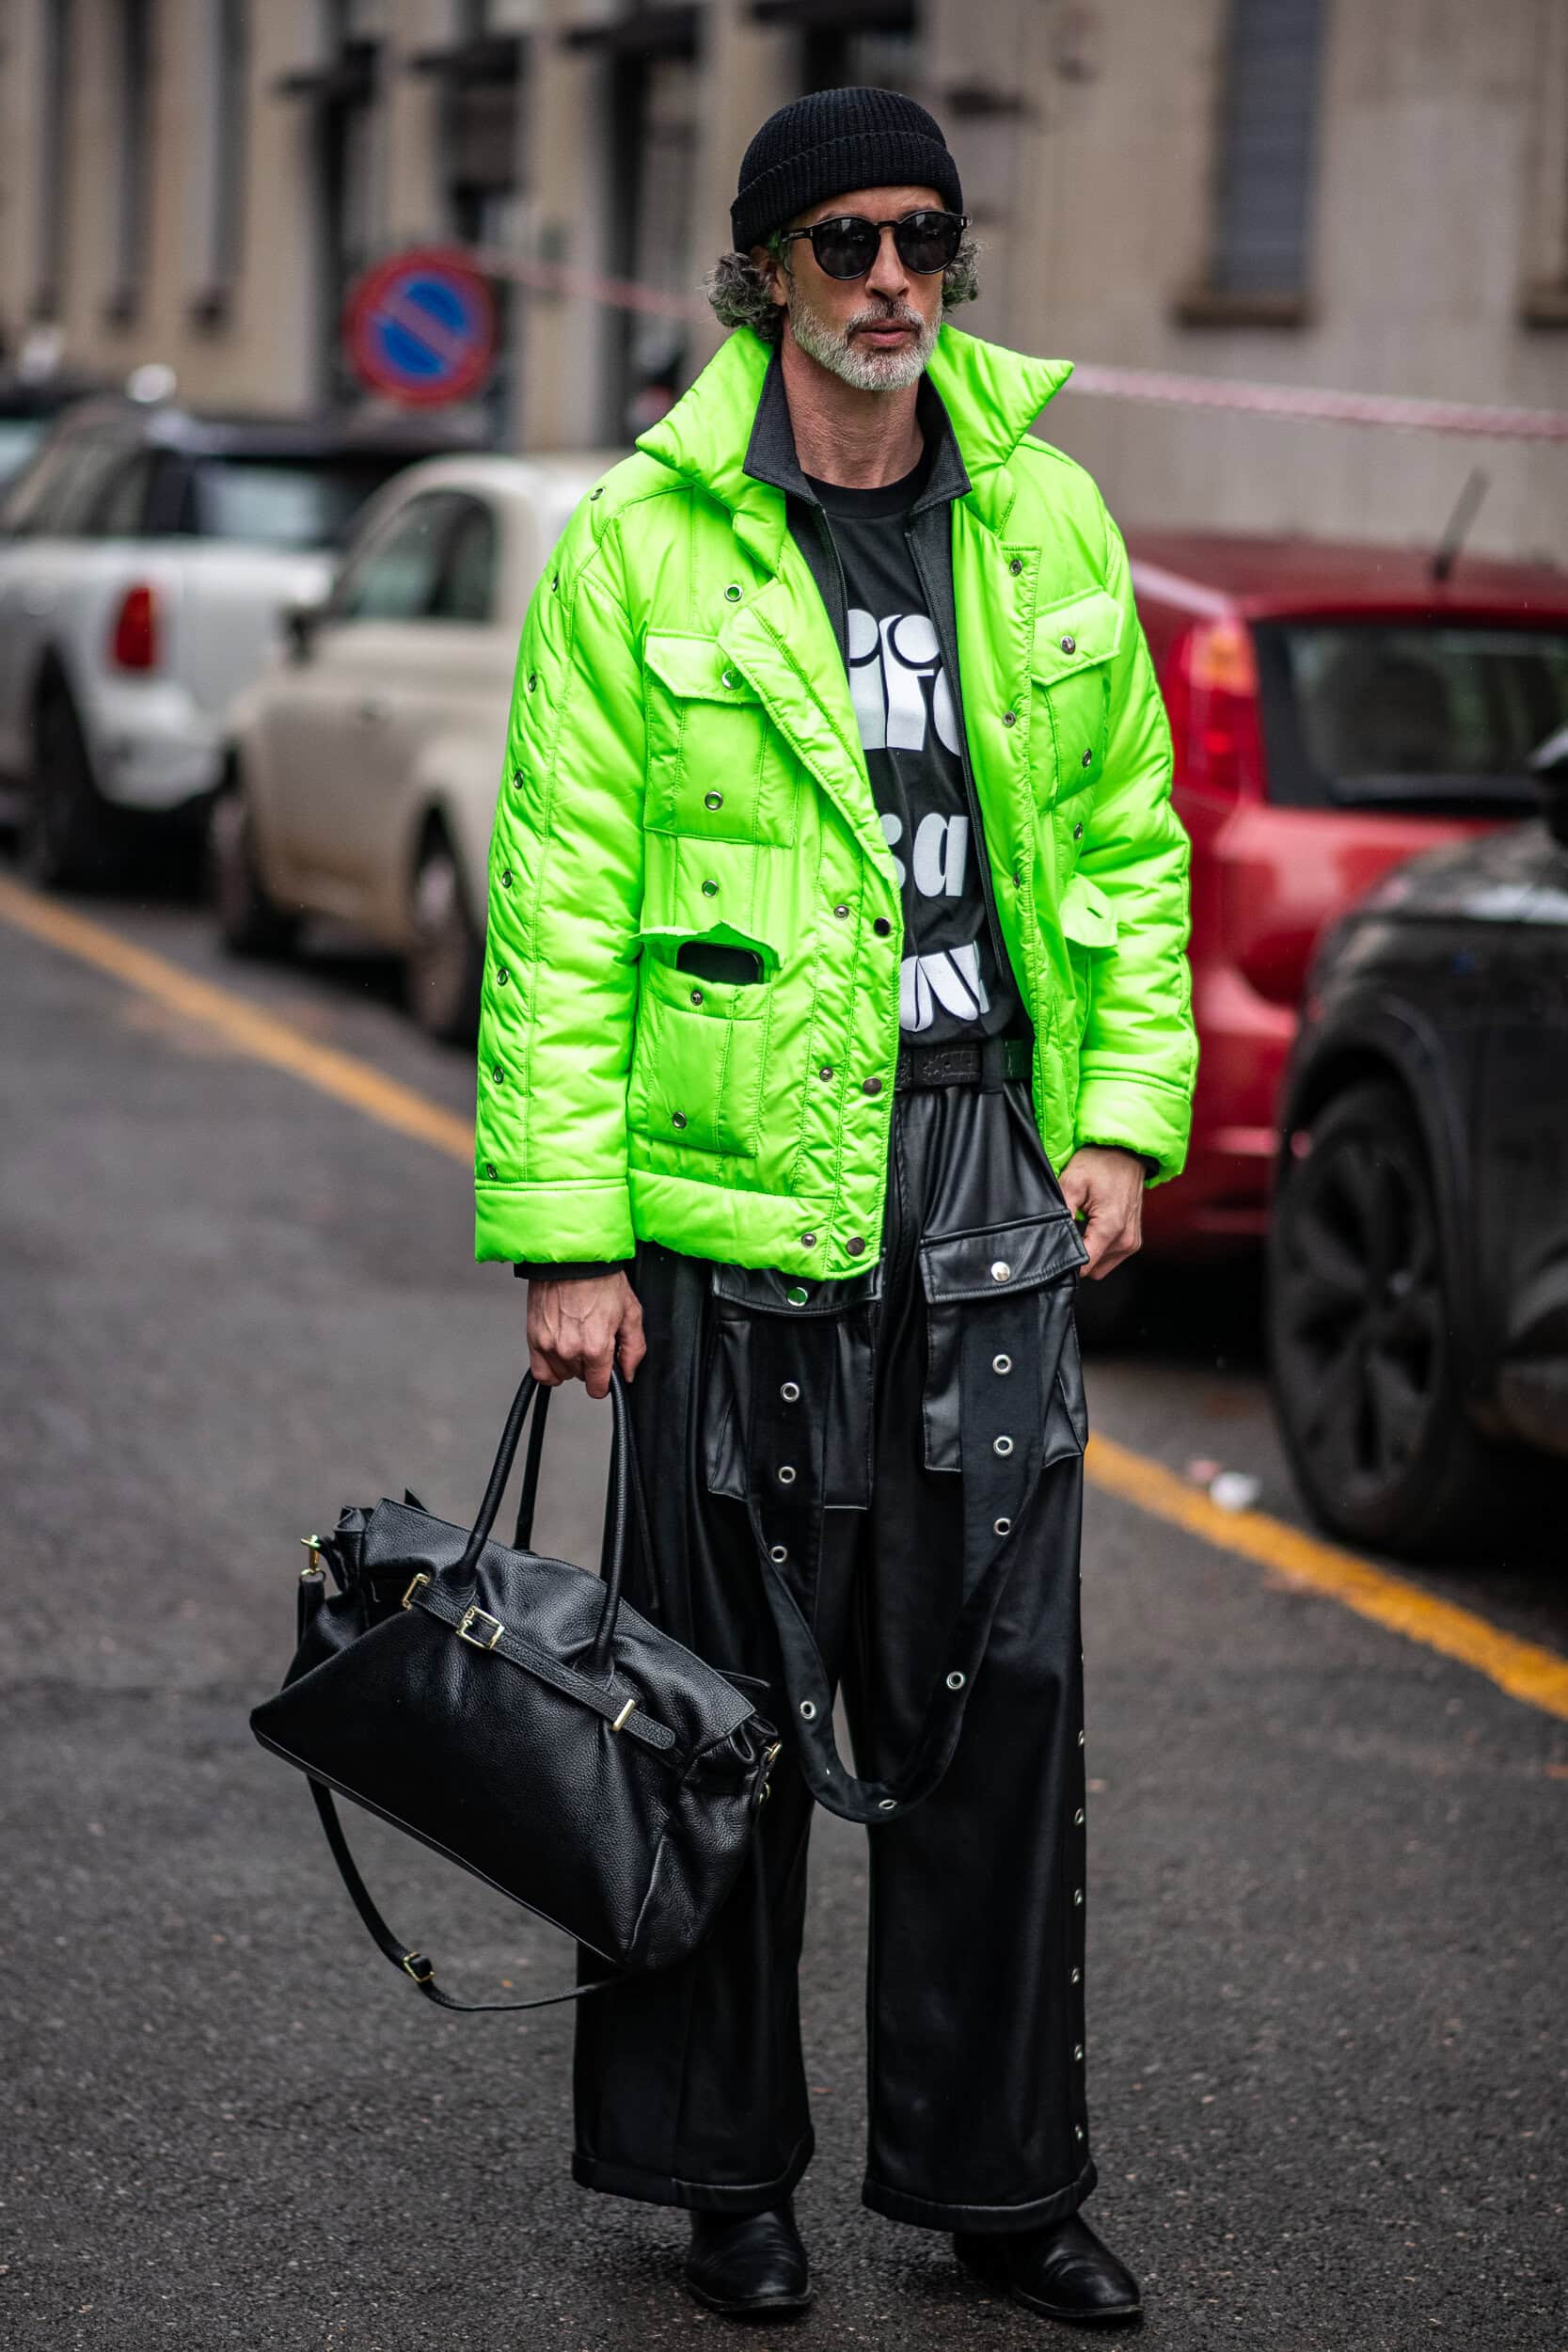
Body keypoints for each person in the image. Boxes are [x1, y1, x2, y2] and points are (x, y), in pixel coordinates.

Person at [475, 86, 1196, 2328]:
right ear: (765, 271)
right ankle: (724, 2174)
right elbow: (561, 906)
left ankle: (1001, 2186)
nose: (896, 280)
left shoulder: (1049, 515)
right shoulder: (642, 542)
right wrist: (571, 1235)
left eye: (929, 241)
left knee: (1003, 1699)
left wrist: (1127, 1120)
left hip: (985, 1162)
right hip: (722, 1191)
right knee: (716, 1704)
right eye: (850, 242)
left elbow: (1129, 849)